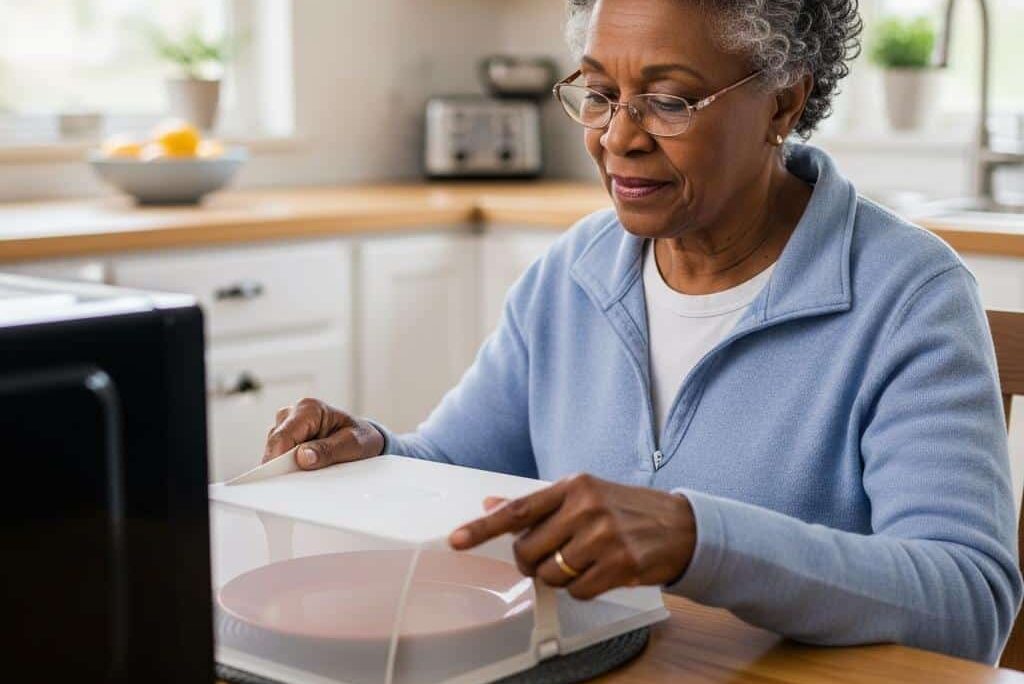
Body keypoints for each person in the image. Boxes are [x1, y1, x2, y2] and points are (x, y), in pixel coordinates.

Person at [263, 0, 1022, 663]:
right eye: (599, 93)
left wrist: (699, 540)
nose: (616, 137)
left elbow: (967, 604)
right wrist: (372, 451)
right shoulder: (573, 274)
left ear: (785, 104)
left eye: (668, 100)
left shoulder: (909, 296)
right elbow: (456, 470)